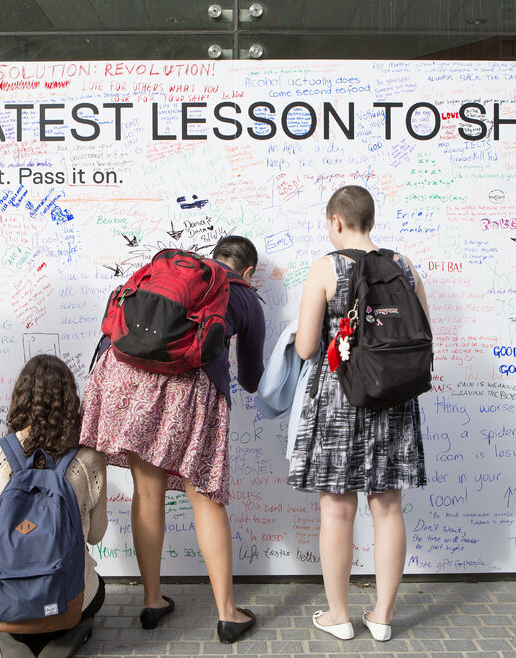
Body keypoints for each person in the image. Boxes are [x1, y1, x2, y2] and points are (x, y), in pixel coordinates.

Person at [80, 235, 265, 644]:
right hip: (191, 390)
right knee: (205, 498)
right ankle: (227, 613)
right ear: (247, 271)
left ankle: (152, 601)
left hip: (129, 376)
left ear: (212, 259)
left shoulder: (173, 277)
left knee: (148, 492)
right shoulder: (246, 297)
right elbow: (251, 380)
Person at [288, 185, 429, 642]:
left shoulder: (326, 267)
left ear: (336, 222)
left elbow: (308, 347)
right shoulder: (404, 266)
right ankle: (383, 617)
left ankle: (338, 616)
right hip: (394, 397)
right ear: (370, 220)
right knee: (388, 508)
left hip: (340, 398)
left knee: (336, 510)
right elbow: (422, 335)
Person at [0, 354, 107, 658]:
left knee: (2, 604)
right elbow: (96, 535)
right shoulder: (88, 458)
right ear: (70, 400)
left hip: (7, 604)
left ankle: (13, 639)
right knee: (96, 586)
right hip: (68, 600)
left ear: (20, 398)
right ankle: (67, 635)